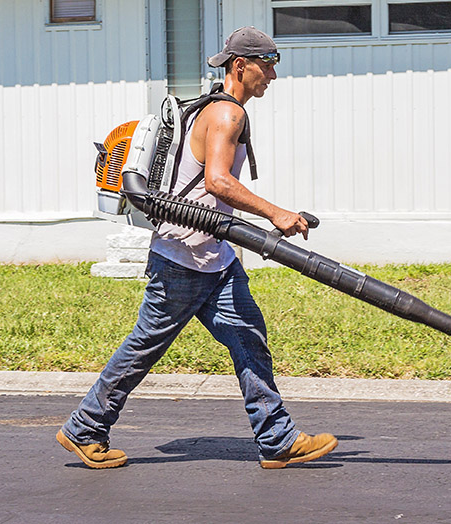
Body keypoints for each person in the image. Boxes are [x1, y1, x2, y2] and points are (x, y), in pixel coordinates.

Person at [57, 27, 337, 469]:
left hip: (213, 256)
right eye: (268, 65)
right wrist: (276, 214)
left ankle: (277, 438)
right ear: (240, 66)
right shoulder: (227, 115)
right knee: (144, 346)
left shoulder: (210, 108)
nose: (273, 76)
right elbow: (218, 182)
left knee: (249, 338)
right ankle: (85, 426)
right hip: (183, 258)